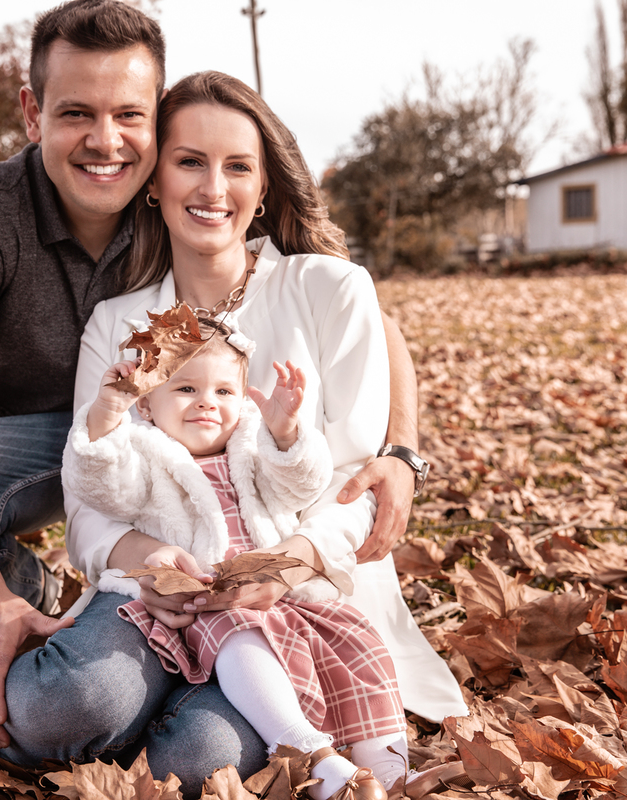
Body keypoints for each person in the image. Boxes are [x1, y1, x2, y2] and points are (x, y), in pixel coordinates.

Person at [0, 0, 458, 791]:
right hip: (123, 483)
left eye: (129, 116)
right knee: (58, 670)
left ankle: (149, 713)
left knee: (197, 759)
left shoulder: (314, 281)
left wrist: (399, 455)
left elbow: (369, 364)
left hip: (294, 578)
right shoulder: (81, 283)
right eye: (76, 113)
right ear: (34, 114)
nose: (106, 141)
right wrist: (108, 568)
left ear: (262, 185)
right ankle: (40, 631)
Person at [64, 319, 410, 799]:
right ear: (147, 401)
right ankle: (308, 751)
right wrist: (106, 413)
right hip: (200, 603)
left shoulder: (250, 446)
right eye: (186, 387)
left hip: (272, 595)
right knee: (239, 636)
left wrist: (286, 434)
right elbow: (102, 487)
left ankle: (388, 772)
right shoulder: (144, 452)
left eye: (225, 391)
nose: (207, 401)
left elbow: (301, 487)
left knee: (358, 642)